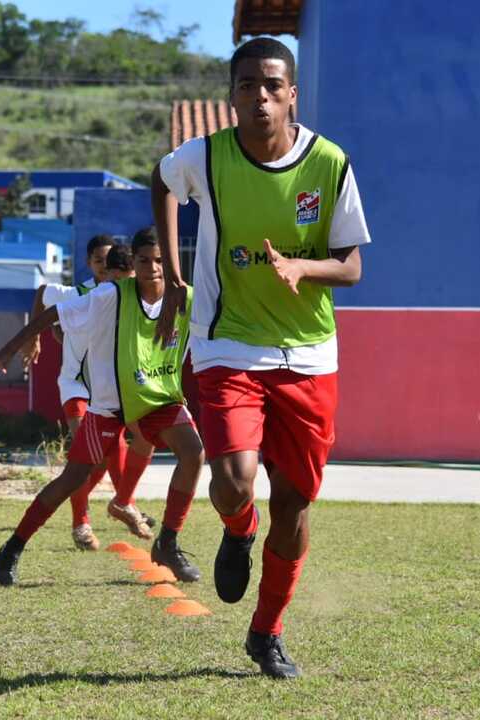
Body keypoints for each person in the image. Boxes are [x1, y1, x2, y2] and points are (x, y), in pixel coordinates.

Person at [151, 37, 371, 679]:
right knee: (236, 478)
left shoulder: (330, 164)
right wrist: (172, 268)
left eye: (273, 85)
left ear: (292, 93)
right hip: (228, 343)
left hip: (309, 356)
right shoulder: (209, 157)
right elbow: (162, 181)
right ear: (232, 95)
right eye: (247, 86)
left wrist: (305, 265)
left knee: (297, 503)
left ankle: (266, 632)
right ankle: (238, 527)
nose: (260, 97)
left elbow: (353, 266)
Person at [0, 229, 203, 586]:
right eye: (145, 260)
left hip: (157, 400)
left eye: (160, 260)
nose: (153, 268)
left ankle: (168, 543)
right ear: (134, 264)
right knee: (74, 477)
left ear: (173, 260)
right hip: (110, 405)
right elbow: (50, 311)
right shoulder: (108, 295)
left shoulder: (188, 297)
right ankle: (13, 547)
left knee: (193, 452)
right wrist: (9, 349)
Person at [23, 239, 156, 551]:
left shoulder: (132, 298)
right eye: (99, 261)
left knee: (101, 458)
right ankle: (84, 522)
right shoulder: (77, 293)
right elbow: (43, 293)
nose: (105, 267)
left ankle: (122, 502)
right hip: (75, 387)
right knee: (90, 455)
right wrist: (36, 338)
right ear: (93, 263)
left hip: (111, 391)